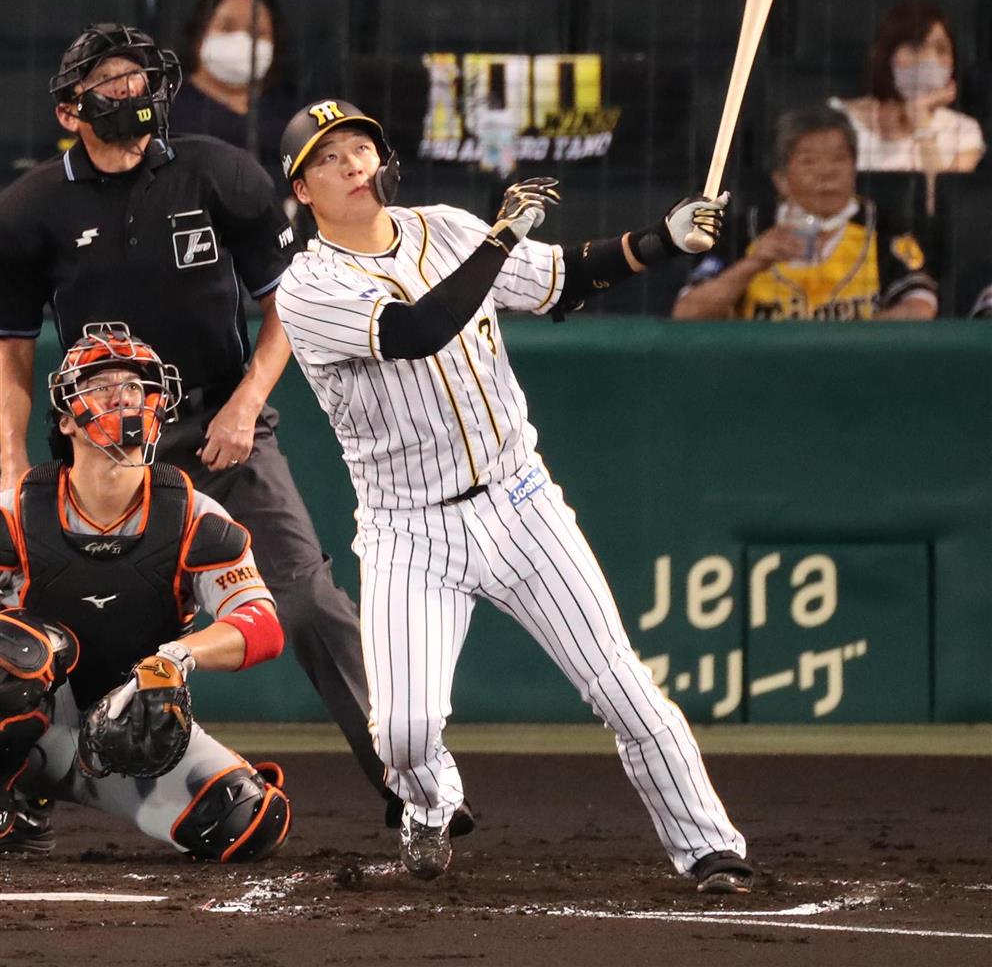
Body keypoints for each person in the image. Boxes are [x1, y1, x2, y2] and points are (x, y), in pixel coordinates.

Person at [274, 97, 752, 894]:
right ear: (301, 190)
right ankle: (430, 804)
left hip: (519, 499)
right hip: (410, 530)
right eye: (327, 157)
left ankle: (709, 848)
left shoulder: (447, 227)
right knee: (404, 733)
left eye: (361, 147)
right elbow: (416, 329)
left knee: (623, 687)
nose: (352, 163)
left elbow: (563, 280)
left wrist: (662, 240)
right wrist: (499, 240)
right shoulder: (306, 287)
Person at [0, 23, 399, 830]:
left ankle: (412, 784)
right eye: (112, 81)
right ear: (71, 109)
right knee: (39, 638)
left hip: (220, 427)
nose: (133, 92)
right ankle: (23, 783)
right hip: (99, 454)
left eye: (140, 77)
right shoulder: (31, 206)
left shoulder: (220, 171)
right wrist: (10, 465)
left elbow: (286, 307)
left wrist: (248, 403)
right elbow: (10, 355)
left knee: (308, 603)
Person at [0, 323, 290, 860]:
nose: (123, 395)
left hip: (129, 724)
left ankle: (69, 777)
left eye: (135, 385)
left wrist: (176, 658)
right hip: (33, 717)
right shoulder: (15, 512)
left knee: (246, 820)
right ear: (66, 418)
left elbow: (262, 626)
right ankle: (17, 801)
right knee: (18, 656)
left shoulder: (194, 516)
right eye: (102, 384)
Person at [672, 105, 938, 321]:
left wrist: (852, 342)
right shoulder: (745, 231)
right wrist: (754, 263)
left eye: (838, 159)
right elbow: (687, 313)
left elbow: (921, 306)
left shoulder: (884, 227)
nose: (826, 172)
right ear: (781, 180)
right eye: (809, 161)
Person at [828, 0, 984, 209]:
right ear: (885, 55)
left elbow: (938, 208)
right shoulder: (834, 119)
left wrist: (920, 117)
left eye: (941, 50)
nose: (929, 62)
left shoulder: (963, 131)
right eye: (916, 48)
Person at [168, 0, 293, 204]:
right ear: (199, 37)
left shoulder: (290, 113)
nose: (241, 39)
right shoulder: (168, 107)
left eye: (257, 32)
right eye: (227, 27)